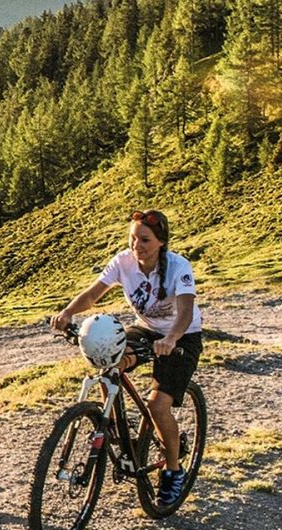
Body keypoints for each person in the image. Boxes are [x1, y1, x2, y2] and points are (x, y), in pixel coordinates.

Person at [50, 208, 203, 508]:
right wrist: (68, 313)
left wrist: (171, 339)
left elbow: (185, 309)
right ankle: (119, 432)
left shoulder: (177, 266)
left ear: (160, 241)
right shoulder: (123, 261)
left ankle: (173, 471)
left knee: (158, 406)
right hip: (145, 329)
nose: (137, 245)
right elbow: (93, 294)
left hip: (182, 336)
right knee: (108, 361)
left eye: (144, 240)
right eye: (133, 238)